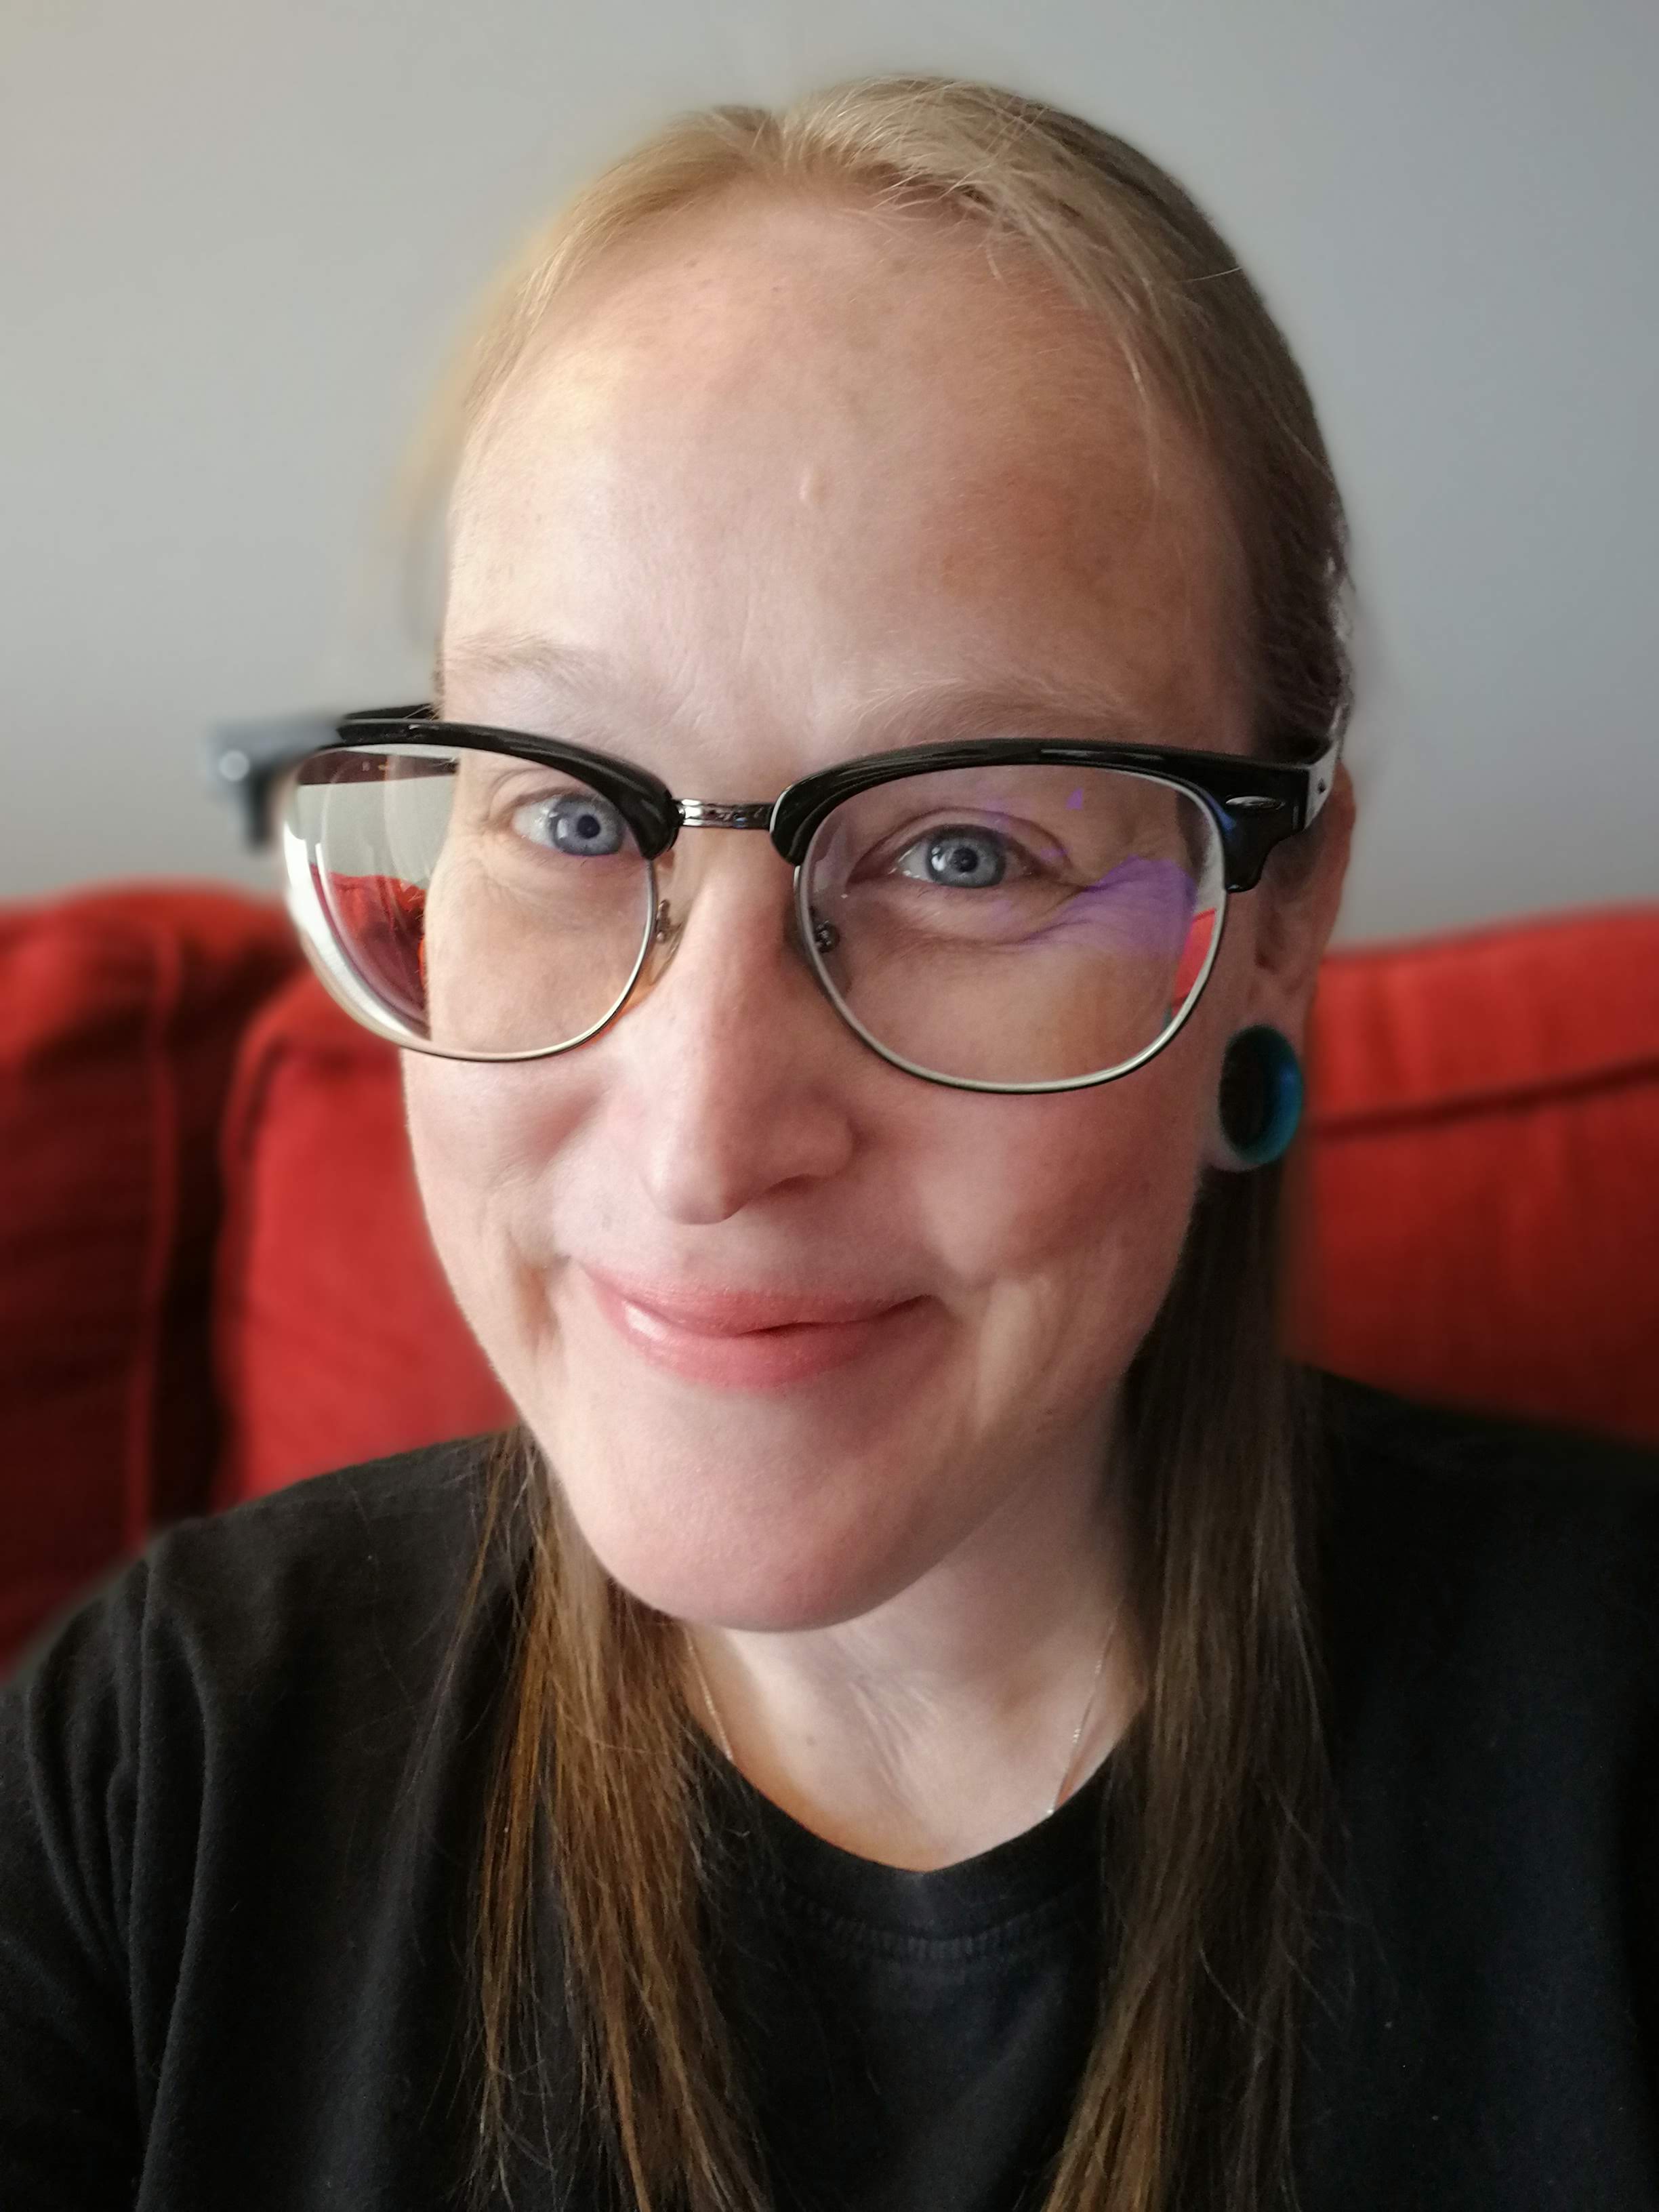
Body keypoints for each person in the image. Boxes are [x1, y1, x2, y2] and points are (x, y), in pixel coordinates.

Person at [2, 73, 1655, 2212]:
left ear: (1279, 917)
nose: (704, 1137)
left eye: (964, 849)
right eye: (573, 811)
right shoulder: (161, 1777)